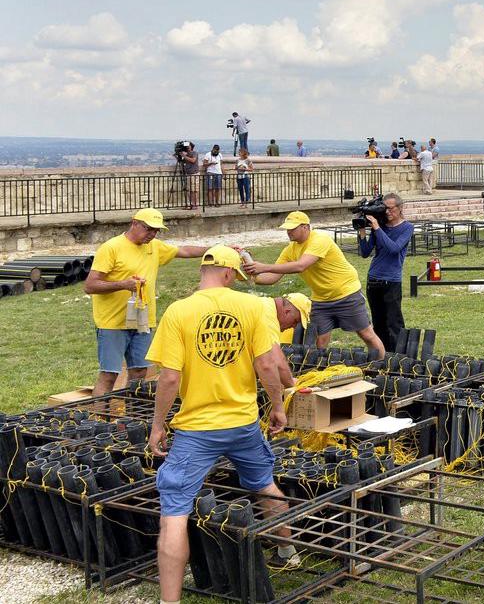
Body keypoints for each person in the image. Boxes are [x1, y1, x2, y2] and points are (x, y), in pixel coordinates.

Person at [147, 245, 295, 600]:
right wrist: (277, 407)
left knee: (175, 511)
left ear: (204, 270)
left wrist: (157, 424)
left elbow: (168, 378)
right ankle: (288, 551)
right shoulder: (251, 307)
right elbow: (267, 366)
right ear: (230, 273)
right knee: (262, 483)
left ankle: (169, 600)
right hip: (243, 422)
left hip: (198, 429)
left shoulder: (179, 312)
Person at [83, 209, 207, 396]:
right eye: (149, 229)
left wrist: (216, 249)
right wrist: (124, 284)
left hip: (143, 322)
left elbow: (185, 250)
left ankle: (132, 418)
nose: (152, 234)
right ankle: (97, 420)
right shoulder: (112, 247)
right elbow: (90, 286)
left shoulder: (154, 246)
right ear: (134, 223)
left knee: (140, 373)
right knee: (109, 375)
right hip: (112, 323)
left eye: (156, 231)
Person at [243, 211, 386, 357]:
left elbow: (301, 266)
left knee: (366, 335)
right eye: (287, 228)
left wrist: (264, 266)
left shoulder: (320, 239)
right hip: (321, 299)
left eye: (293, 228)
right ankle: (319, 373)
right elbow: (272, 278)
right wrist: (246, 274)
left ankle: (382, 367)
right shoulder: (290, 250)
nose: (289, 232)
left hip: (346, 293)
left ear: (306, 227)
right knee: (320, 341)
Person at [357, 194, 414, 352]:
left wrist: (377, 228)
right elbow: (365, 252)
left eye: (390, 208)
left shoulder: (407, 228)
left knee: (394, 322)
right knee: (379, 322)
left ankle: (399, 357)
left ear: (400, 207)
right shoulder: (380, 227)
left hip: (391, 281)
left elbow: (394, 248)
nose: (387, 212)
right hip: (373, 279)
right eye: (384, 209)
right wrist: (362, 232)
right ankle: (382, 356)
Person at [177, 142, 200, 209]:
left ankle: (195, 205)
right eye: (186, 146)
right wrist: (178, 156)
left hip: (194, 174)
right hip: (188, 174)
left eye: (188, 146)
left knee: (194, 190)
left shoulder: (194, 153)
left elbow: (193, 160)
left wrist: (184, 156)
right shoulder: (187, 154)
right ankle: (191, 204)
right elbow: (182, 162)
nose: (187, 147)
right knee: (189, 190)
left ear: (191, 146)